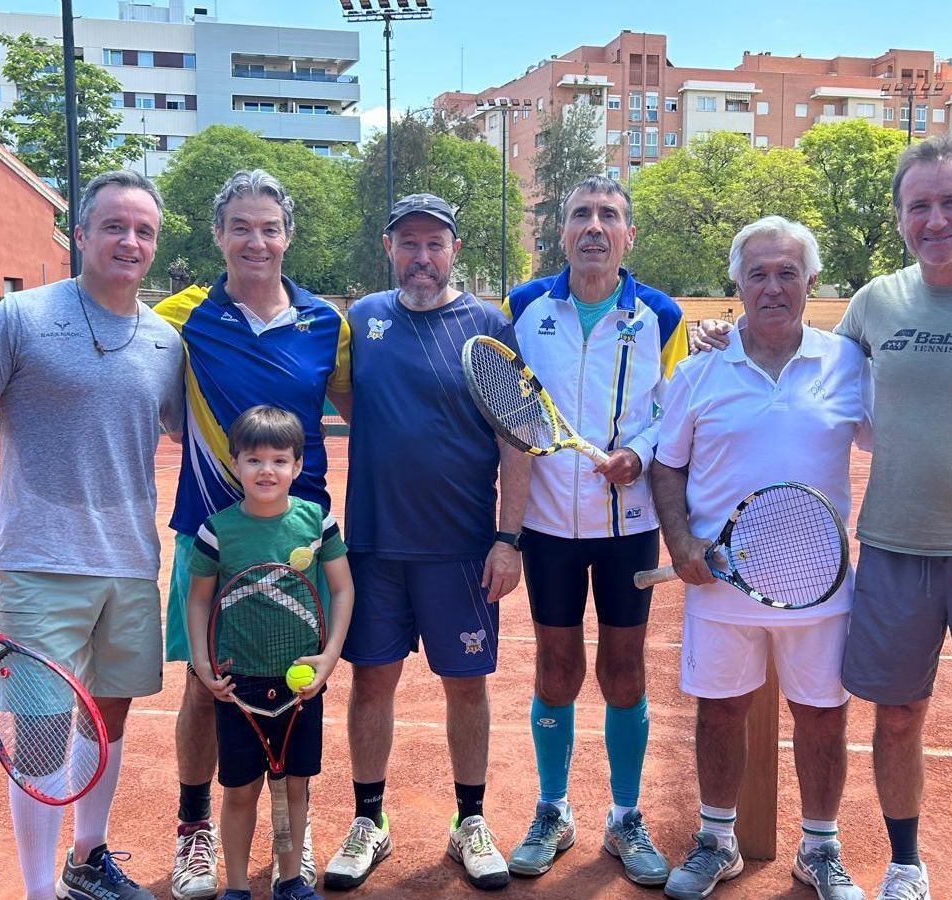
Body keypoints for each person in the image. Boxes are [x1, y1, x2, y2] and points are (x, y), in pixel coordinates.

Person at [698, 136, 952, 900]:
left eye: (951, 201)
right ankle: (905, 866)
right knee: (898, 717)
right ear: (901, 218)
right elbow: (796, 357)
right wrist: (725, 333)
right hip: (892, 552)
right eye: (920, 205)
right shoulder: (875, 303)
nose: (936, 219)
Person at [0, 170, 350, 900]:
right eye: (240, 227)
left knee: (298, 688)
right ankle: (193, 830)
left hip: (296, 545)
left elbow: (366, 402)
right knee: (206, 686)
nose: (255, 240)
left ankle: (294, 832)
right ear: (217, 235)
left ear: (288, 236)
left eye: (269, 227)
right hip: (208, 541)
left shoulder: (328, 322)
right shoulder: (178, 317)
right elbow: (103, 317)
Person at [0, 169, 183, 900]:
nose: (129, 241)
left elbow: (197, 436)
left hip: (131, 565)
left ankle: (87, 862)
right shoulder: (19, 318)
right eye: (114, 226)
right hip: (36, 563)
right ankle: (41, 892)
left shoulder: (166, 343)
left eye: (143, 231)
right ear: (81, 234)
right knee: (40, 734)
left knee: (109, 718)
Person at [651, 217, 870, 900]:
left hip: (821, 590)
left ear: (810, 282)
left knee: (823, 715)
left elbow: (896, 443)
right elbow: (666, 467)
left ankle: (820, 848)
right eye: (758, 274)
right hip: (721, 588)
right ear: (738, 285)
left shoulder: (849, 363)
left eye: (786, 273)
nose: (772, 287)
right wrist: (681, 542)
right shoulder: (697, 370)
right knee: (719, 712)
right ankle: (717, 840)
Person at [322, 194, 530, 893]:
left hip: (463, 549)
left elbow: (515, 439)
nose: (422, 256)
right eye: (408, 242)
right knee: (370, 683)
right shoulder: (364, 320)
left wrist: (509, 539)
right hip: (377, 547)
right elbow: (353, 403)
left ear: (455, 250)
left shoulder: (489, 325)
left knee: (465, 688)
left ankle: (469, 820)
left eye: (434, 244)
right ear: (388, 248)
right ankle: (369, 821)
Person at [499, 175, 685, 886]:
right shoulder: (523, 306)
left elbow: (678, 408)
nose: (595, 227)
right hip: (546, 525)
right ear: (563, 231)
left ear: (629, 235)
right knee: (555, 667)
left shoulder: (661, 316)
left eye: (610, 215)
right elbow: (511, 409)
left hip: (628, 526)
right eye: (582, 215)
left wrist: (640, 450)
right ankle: (552, 809)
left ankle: (624, 815)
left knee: (624, 670)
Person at [182, 405, 354, 900]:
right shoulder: (217, 530)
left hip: (301, 681)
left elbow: (343, 590)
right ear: (235, 464)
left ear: (298, 466)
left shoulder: (317, 522)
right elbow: (197, 601)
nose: (267, 471)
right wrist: (202, 662)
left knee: (294, 788)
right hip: (239, 686)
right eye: (254, 460)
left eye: (280, 460)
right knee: (239, 791)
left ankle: (290, 881)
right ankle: (236, 887)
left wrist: (330, 656)